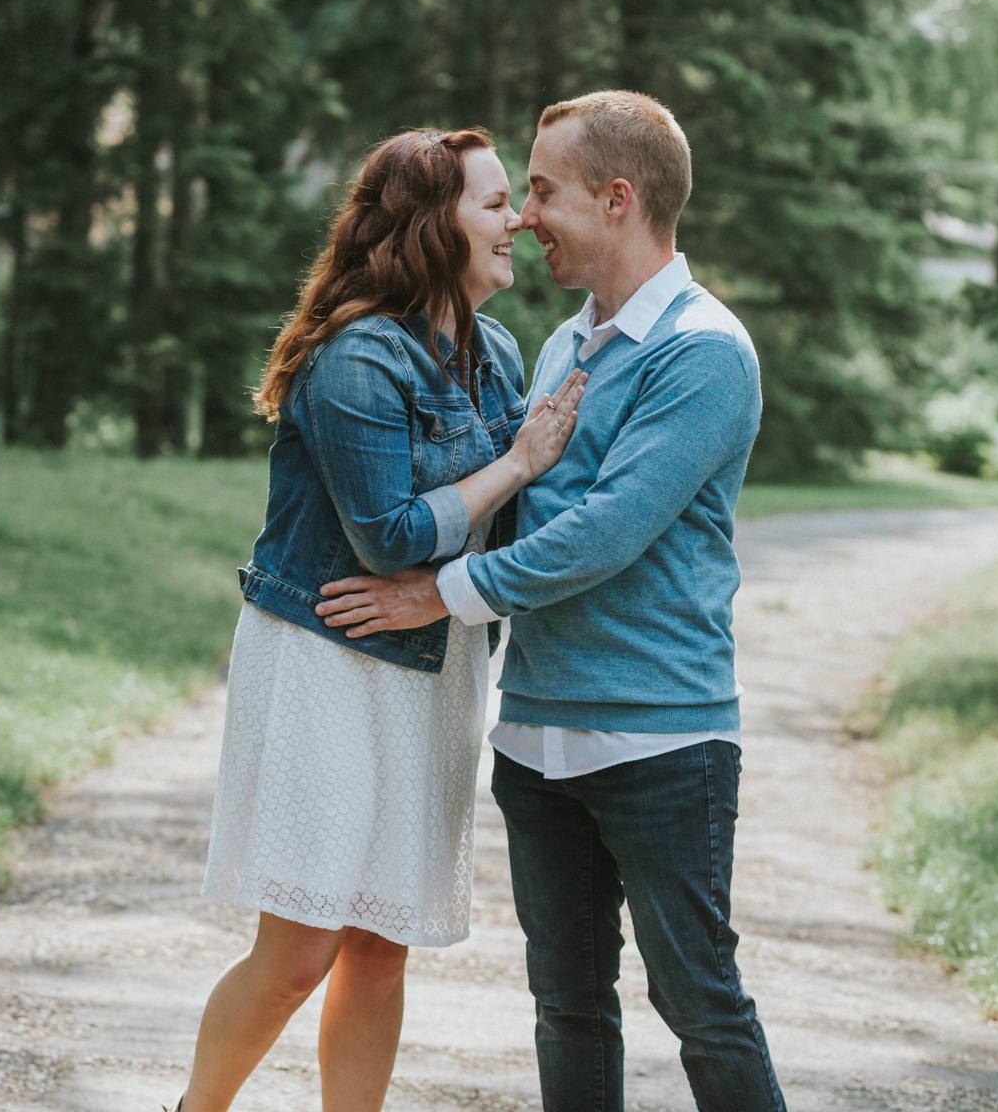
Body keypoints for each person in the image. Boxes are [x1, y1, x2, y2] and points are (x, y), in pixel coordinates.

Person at [319, 92, 787, 1112]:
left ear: (616, 199)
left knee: (698, 999)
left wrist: (432, 596)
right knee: (566, 1006)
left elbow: (602, 533)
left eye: (541, 190)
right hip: (535, 739)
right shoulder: (559, 345)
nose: (524, 215)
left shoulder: (702, 351)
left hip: (660, 741)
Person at [173, 127, 587, 1112]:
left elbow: (506, 529)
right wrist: (519, 461)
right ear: (429, 224)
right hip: (327, 658)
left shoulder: (497, 352)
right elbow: (390, 536)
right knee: (299, 946)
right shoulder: (358, 356)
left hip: (434, 669)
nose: (519, 220)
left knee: (378, 939)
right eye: (494, 203)